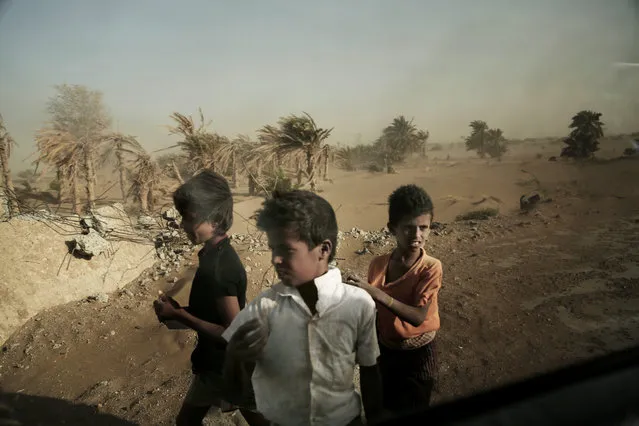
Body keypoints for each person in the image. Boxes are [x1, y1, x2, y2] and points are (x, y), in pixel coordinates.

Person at [221, 190, 386, 426]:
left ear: (323, 250)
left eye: (286, 250)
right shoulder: (263, 307)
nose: (275, 259)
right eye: (273, 249)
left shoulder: (358, 303)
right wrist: (234, 357)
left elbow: (370, 371)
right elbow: (234, 391)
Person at [152, 170, 266, 426]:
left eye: (189, 218)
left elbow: (232, 332)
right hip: (213, 364)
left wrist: (180, 315)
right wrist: (176, 313)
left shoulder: (220, 267)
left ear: (214, 219)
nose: (183, 225)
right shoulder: (211, 256)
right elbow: (213, 313)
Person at [346, 184, 442, 414]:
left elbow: (418, 317)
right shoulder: (378, 264)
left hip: (418, 353)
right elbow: (373, 309)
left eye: (423, 228)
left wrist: (377, 293)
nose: (417, 235)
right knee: (387, 404)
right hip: (387, 348)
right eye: (409, 228)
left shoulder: (430, 268)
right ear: (392, 228)